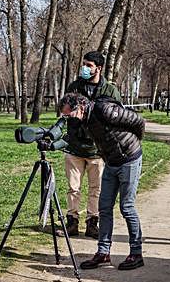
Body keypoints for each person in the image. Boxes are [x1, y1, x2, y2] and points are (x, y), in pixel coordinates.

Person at [58, 92, 146, 270]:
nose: (68, 119)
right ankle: (103, 253)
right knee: (104, 208)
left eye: (70, 114)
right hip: (111, 161)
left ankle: (136, 253)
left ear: (80, 107)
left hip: (129, 158)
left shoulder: (104, 109)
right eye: (65, 116)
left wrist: (130, 143)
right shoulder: (83, 121)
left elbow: (138, 121)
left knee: (126, 207)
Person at [58, 51, 121, 239]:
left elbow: (116, 116)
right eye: (83, 64)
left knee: (96, 189)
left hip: (97, 150)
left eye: (89, 65)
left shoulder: (110, 91)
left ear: (98, 68)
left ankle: (93, 223)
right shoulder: (75, 87)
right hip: (75, 147)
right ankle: (72, 222)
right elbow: (66, 110)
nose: (84, 68)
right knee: (73, 188)